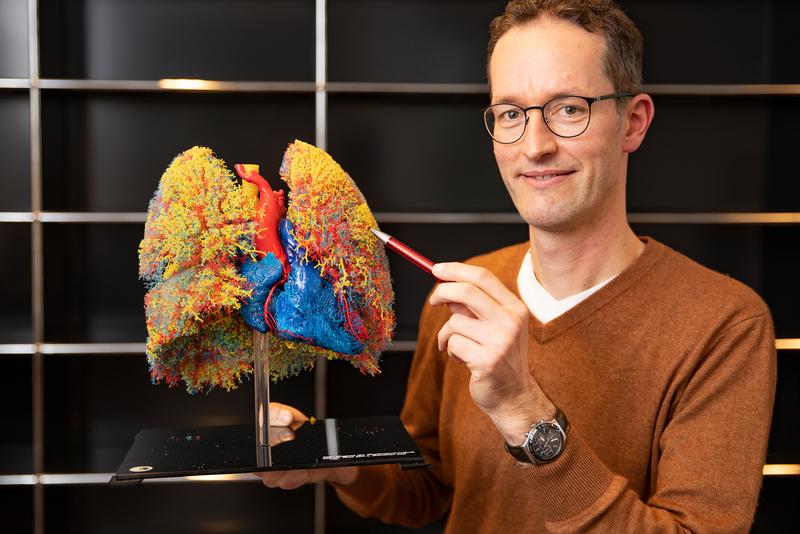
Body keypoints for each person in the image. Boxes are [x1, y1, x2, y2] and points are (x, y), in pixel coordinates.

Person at [259, 0, 777, 531]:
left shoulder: (725, 324)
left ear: (633, 122)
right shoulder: (464, 295)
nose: (534, 146)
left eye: (569, 108)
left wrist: (524, 411)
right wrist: (336, 463)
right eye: (511, 114)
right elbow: (428, 489)